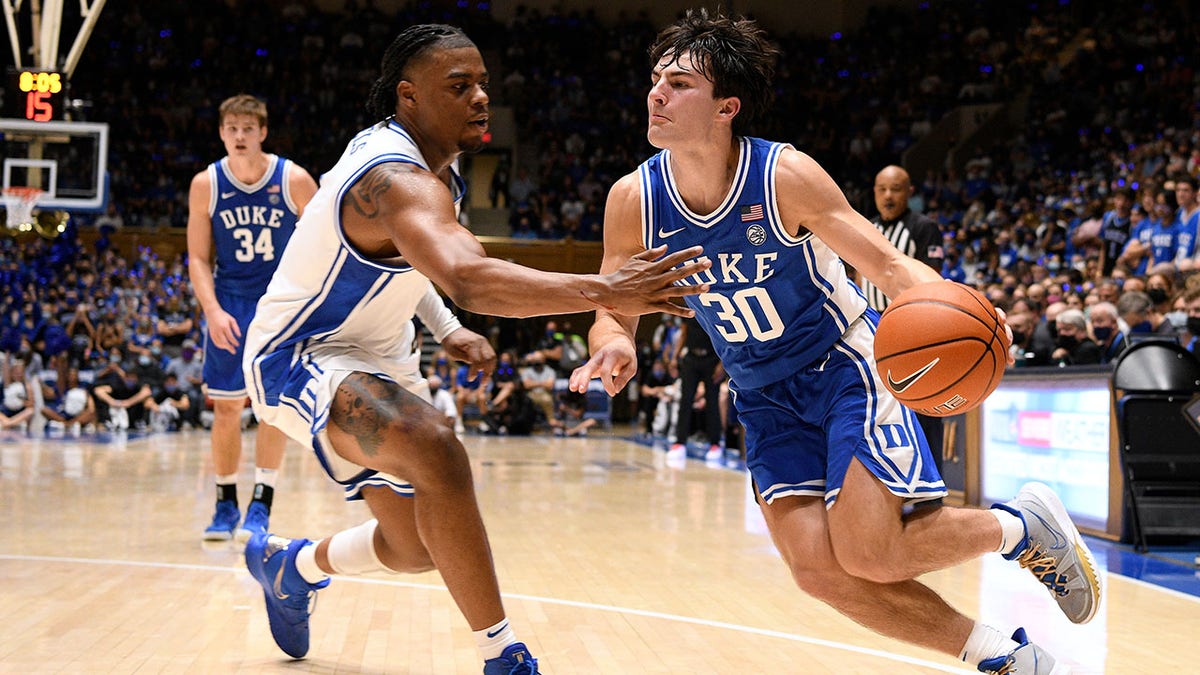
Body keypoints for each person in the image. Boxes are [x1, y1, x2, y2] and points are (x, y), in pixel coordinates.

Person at [569, 11, 1100, 674]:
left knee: (871, 552)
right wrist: (613, 339)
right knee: (818, 570)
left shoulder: (782, 175)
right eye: (655, 80)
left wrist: (958, 309)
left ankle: (1020, 528)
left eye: (678, 83)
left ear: (726, 106)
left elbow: (886, 264)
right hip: (760, 393)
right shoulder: (634, 200)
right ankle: (1004, 655)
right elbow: (611, 306)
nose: (656, 94)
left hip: (841, 364)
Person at [240, 23, 706, 673]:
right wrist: (607, 286)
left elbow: (414, 263)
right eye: (459, 87)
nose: (481, 97)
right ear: (409, 97)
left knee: (415, 546)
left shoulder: (435, 173)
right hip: (299, 354)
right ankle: (504, 655)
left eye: (483, 84)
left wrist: (443, 326)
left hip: (381, 354)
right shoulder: (393, 177)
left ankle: (291, 566)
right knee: (435, 444)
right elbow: (465, 275)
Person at [187, 94, 319, 542]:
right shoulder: (206, 183)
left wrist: (310, 305)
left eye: (248, 128)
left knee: (272, 411)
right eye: (231, 128)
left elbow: (324, 243)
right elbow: (197, 258)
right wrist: (213, 311)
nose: (239, 136)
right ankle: (225, 503)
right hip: (230, 304)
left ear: (263, 132)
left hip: (279, 308)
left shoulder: (295, 179)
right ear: (221, 132)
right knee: (226, 408)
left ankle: (261, 504)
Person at [863, 164, 946, 473]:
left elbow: (932, 278)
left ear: (909, 193)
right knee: (879, 413)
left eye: (895, 189)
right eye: (882, 189)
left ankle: (931, 488)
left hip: (912, 332)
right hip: (870, 331)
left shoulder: (923, 227)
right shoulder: (866, 228)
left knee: (923, 406)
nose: (888, 196)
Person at [667, 316, 724, 463]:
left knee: (712, 402)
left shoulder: (712, 304)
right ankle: (679, 443)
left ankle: (715, 444)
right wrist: (674, 358)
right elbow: (684, 333)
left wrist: (722, 364)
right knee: (685, 401)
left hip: (711, 359)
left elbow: (723, 336)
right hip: (691, 358)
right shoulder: (690, 304)